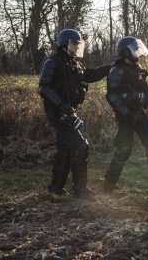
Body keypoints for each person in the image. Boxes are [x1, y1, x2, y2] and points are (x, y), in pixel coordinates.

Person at [38, 29, 111, 198]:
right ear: (65, 44)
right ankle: (80, 188)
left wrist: (109, 68)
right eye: (74, 43)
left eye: (79, 44)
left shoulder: (74, 63)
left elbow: (88, 75)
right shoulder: (53, 62)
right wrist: (62, 106)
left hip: (68, 112)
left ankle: (56, 189)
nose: (77, 46)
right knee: (80, 145)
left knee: (64, 149)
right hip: (58, 113)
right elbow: (43, 87)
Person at [103, 36, 148, 191]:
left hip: (138, 113)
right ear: (125, 52)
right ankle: (109, 182)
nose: (137, 52)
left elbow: (142, 91)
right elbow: (111, 96)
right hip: (125, 116)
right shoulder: (117, 70)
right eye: (133, 49)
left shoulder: (138, 69)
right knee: (124, 148)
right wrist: (127, 114)